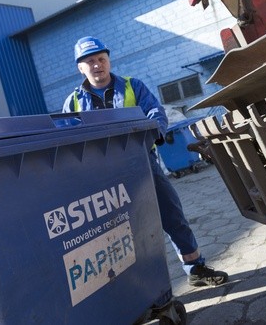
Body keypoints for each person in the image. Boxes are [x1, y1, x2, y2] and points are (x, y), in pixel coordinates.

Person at [62, 36, 228, 287]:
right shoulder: (73, 102)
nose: (97, 65)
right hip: (102, 174)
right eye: (90, 61)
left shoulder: (132, 86)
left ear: (108, 60)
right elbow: (67, 136)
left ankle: (195, 268)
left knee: (171, 212)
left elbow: (155, 113)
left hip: (141, 162)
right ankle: (134, 283)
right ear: (80, 68)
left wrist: (150, 134)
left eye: (101, 59)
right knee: (118, 228)